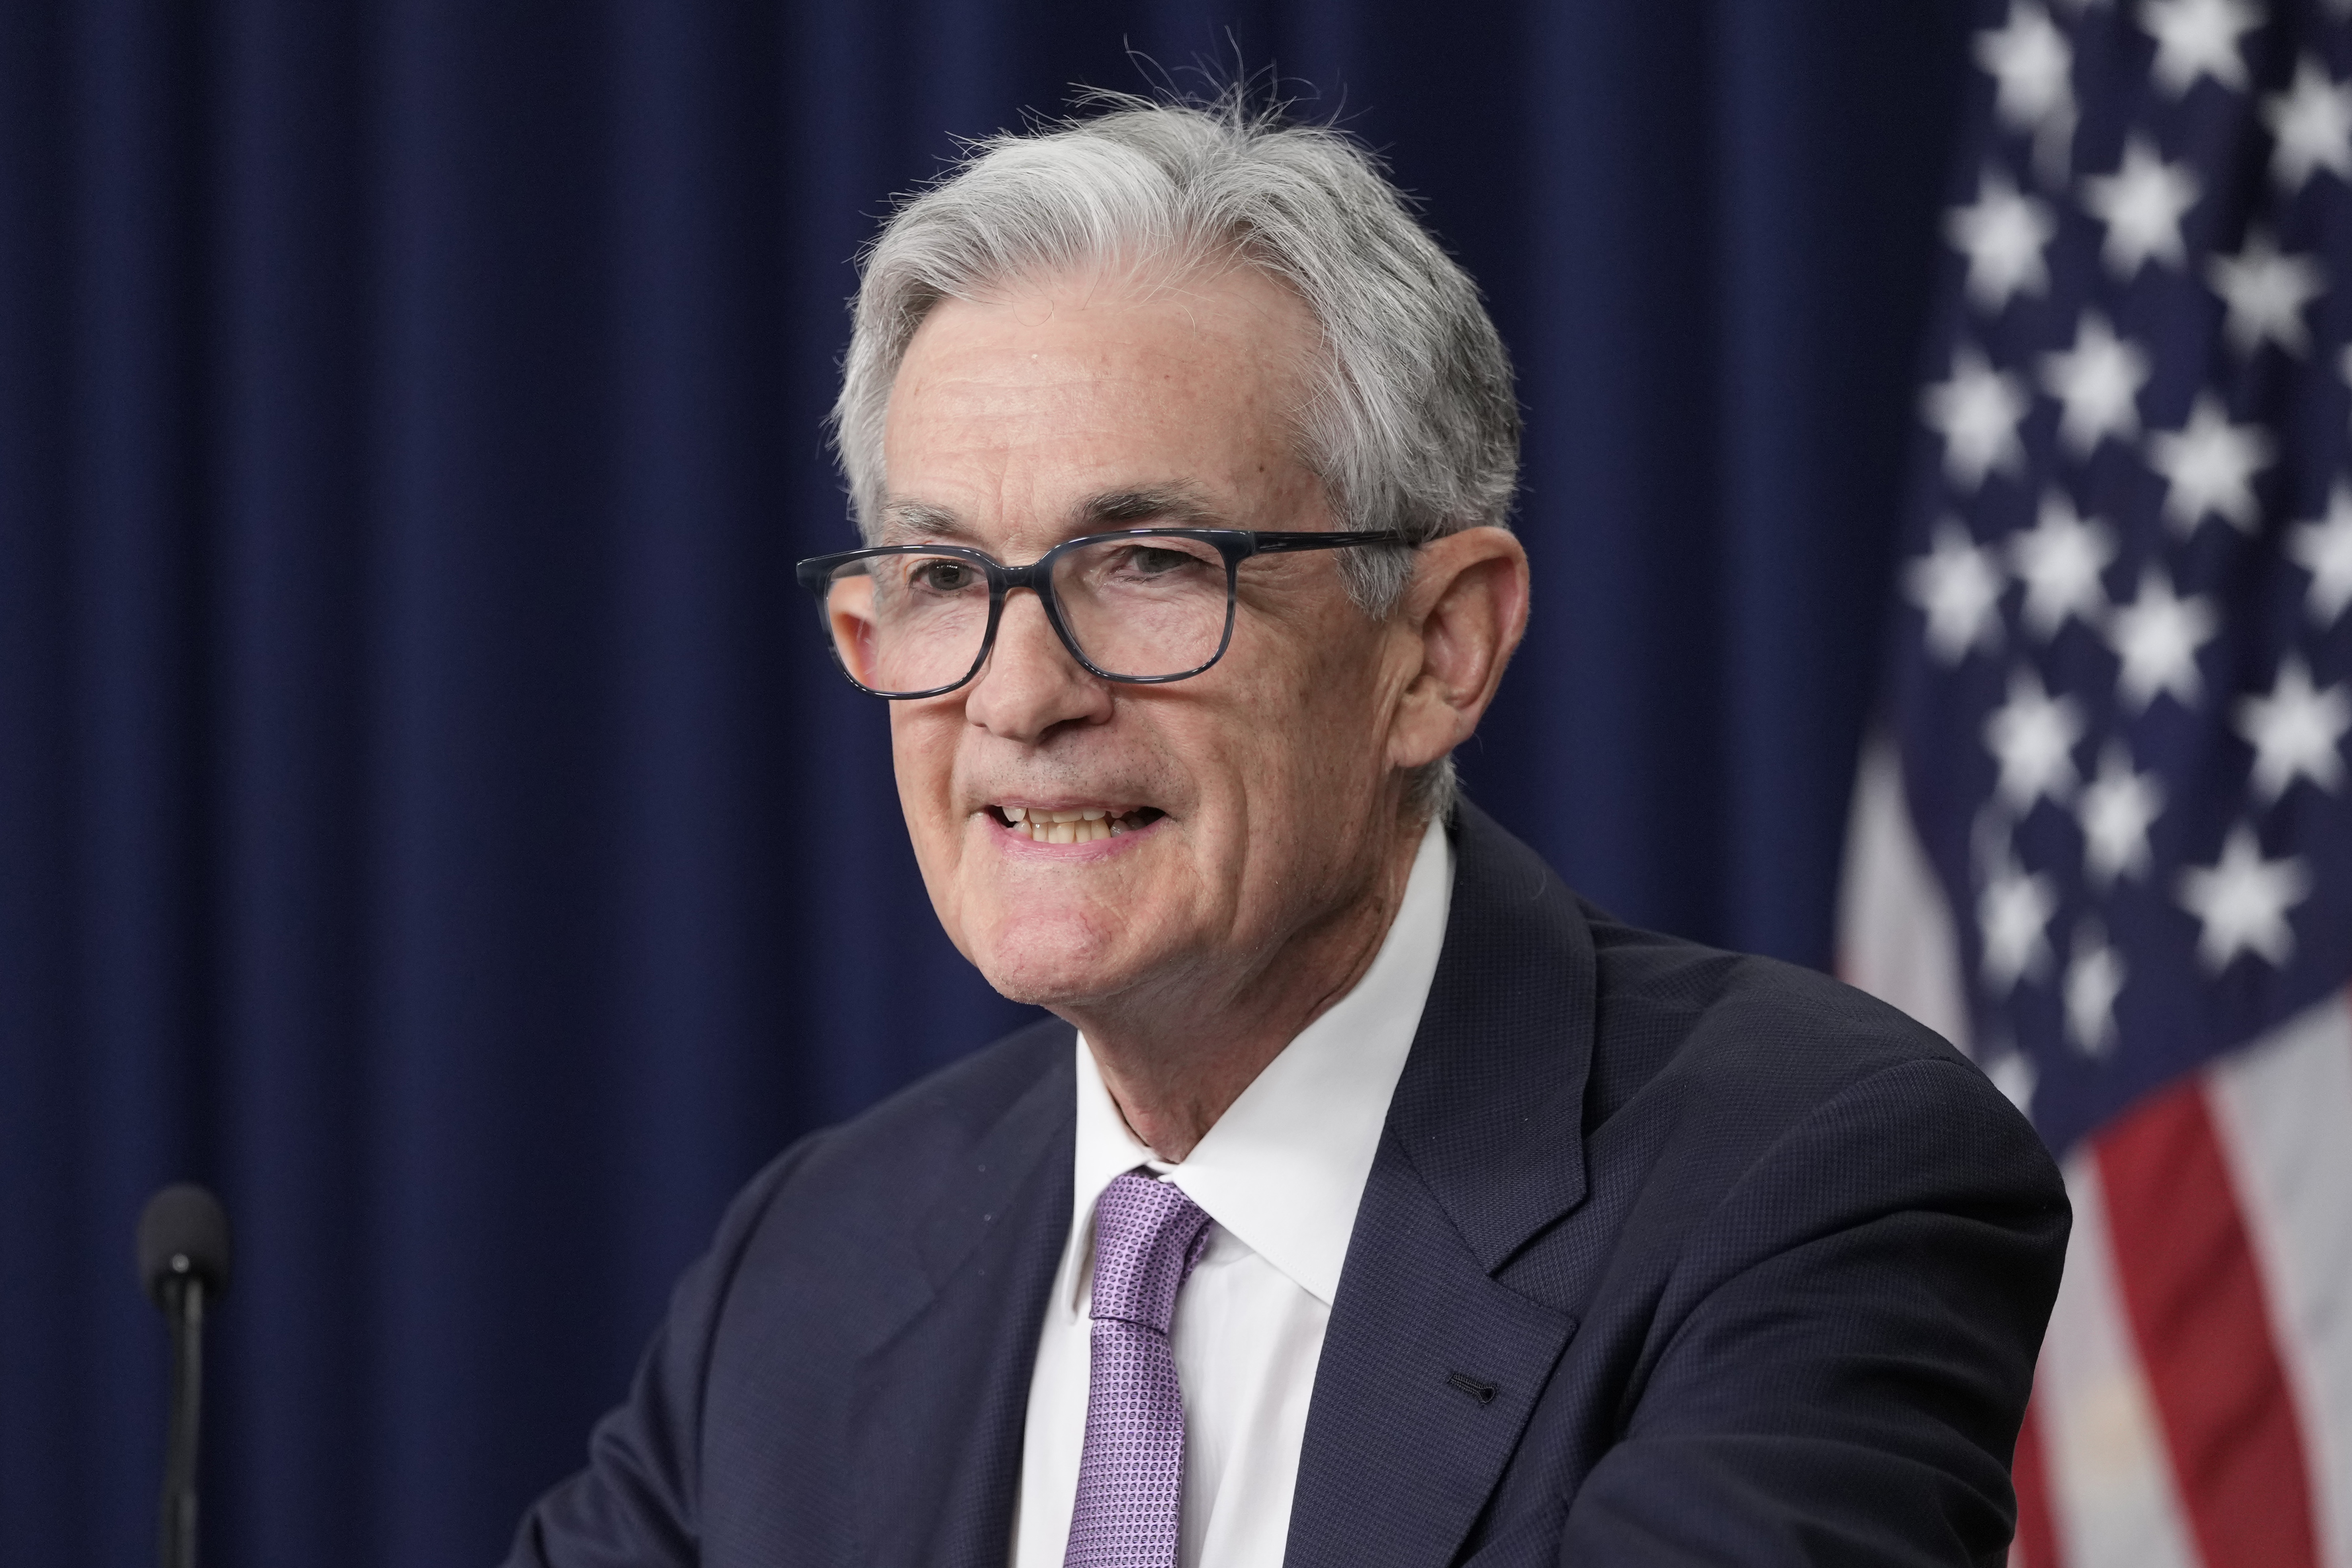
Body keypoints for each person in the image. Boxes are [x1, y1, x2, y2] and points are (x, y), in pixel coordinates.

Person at [504, 92, 2067, 1568]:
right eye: (941, 581)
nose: (1019, 694)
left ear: (1438, 647)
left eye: (1150, 563)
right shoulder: (808, 1267)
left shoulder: (1801, 1181)